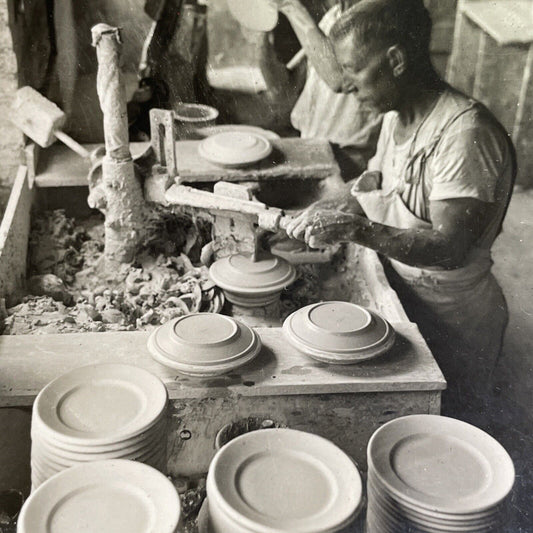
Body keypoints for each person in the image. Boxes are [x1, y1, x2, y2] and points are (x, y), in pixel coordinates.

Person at [285, 0, 516, 416]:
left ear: (394, 60)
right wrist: (307, 215)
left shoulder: (464, 135)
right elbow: (373, 185)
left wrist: (354, 228)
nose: (347, 84)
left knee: (447, 429)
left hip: (455, 316)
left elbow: (449, 248)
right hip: (406, 288)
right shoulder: (396, 114)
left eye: (354, 69)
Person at [267, 0, 383, 176]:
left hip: (349, 159)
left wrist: (290, 6)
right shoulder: (333, 17)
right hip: (312, 147)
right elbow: (287, 91)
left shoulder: (378, 19)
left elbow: (339, 78)